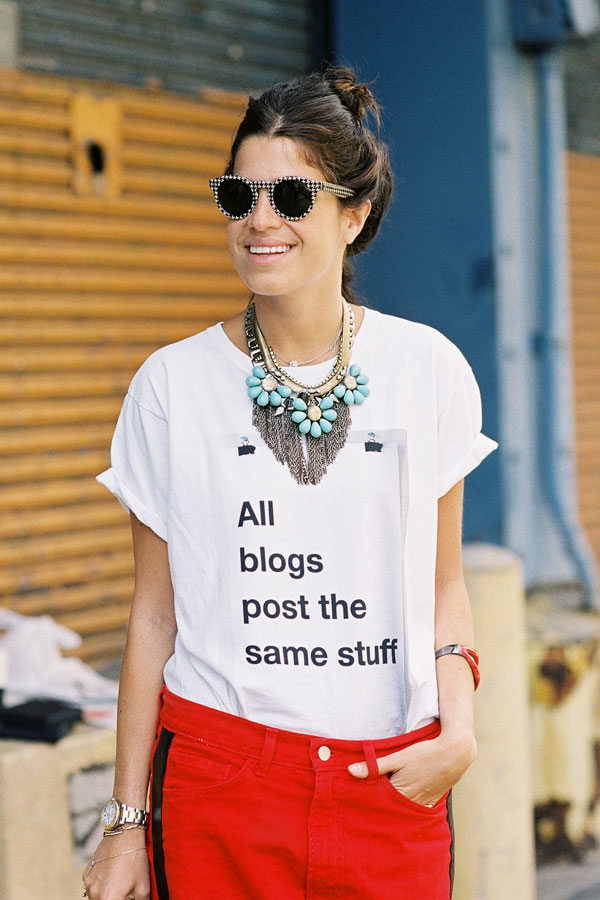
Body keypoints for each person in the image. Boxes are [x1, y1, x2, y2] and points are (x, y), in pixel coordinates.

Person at [83, 65, 497, 900]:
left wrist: (458, 729)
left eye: (293, 197)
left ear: (354, 214)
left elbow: (443, 586)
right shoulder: (170, 386)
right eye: (240, 196)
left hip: (391, 781)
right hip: (220, 785)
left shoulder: (428, 369)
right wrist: (126, 823)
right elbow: (154, 614)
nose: (261, 220)